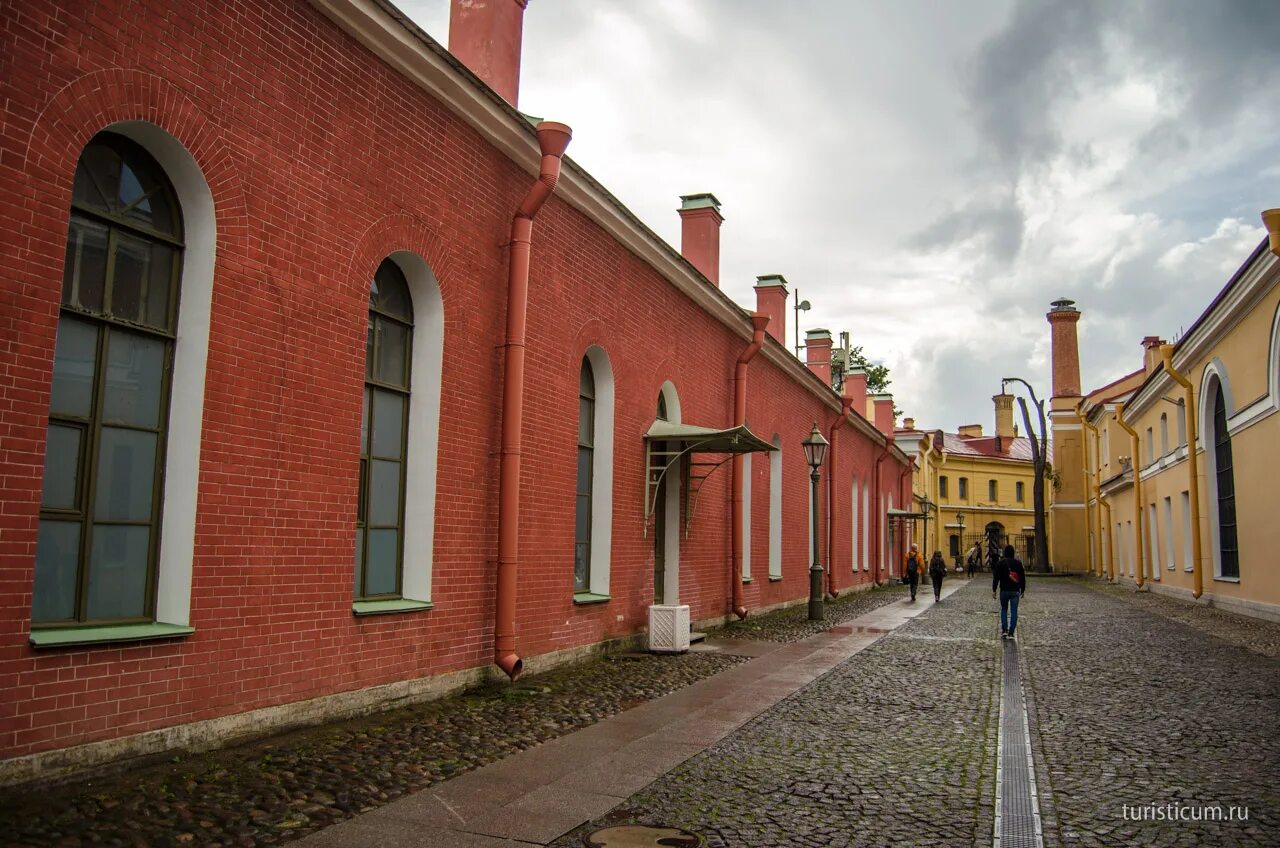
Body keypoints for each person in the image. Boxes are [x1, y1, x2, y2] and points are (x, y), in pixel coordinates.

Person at [992, 544, 1027, 639]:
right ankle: (1011, 632)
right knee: (1014, 611)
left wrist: (994, 590)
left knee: (1004, 609)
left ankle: (1004, 630)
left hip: (1004, 590)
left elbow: (996, 578)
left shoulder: (1000, 563)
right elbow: (1022, 577)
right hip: (1015, 591)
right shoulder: (1018, 563)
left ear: (1004, 553)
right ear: (1013, 553)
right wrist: (1023, 589)